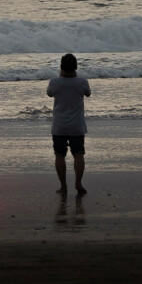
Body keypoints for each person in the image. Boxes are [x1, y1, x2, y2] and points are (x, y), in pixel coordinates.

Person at [47, 53, 91, 195]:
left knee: (60, 155)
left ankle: (63, 186)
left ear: (61, 67)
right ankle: (78, 183)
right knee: (78, 154)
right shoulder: (82, 82)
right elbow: (88, 93)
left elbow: (49, 93)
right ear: (76, 67)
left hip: (59, 126)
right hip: (76, 126)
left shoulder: (55, 82)